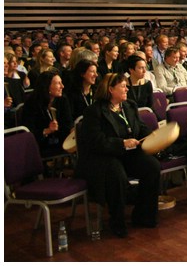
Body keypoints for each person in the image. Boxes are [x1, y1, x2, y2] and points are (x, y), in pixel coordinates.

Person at [76, 73, 160, 238]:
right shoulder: (94, 111)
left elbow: (140, 127)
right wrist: (121, 143)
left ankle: (143, 215)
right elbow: (96, 141)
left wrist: (153, 137)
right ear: (110, 89)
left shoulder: (130, 105)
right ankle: (117, 220)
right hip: (103, 156)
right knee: (117, 174)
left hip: (128, 153)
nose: (127, 88)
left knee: (152, 166)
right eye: (123, 86)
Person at [20, 69, 73, 158]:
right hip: (39, 145)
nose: (62, 86)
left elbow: (68, 123)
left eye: (61, 83)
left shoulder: (62, 100)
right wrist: (47, 131)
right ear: (47, 86)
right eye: (58, 83)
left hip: (61, 140)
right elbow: (29, 131)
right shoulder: (32, 103)